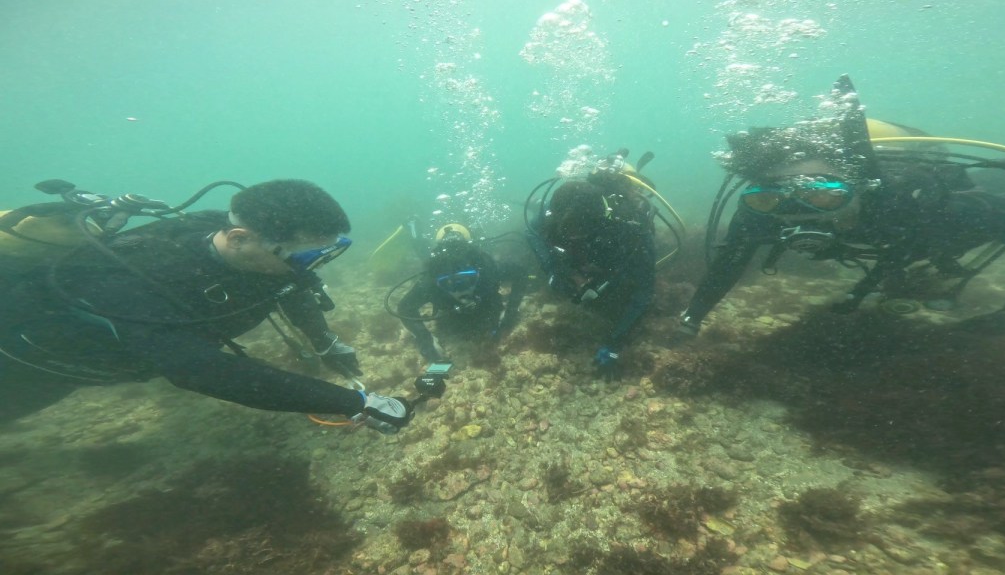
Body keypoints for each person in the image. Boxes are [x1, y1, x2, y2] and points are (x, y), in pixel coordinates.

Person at [0, 179, 410, 432]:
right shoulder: (141, 278)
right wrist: (356, 403)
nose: (313, 269)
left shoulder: (261, 257)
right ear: (239, 239)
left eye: (329, 253)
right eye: (306, 257)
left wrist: (324, 341)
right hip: (27, 363)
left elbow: (292, 288)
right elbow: (202, 370)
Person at [679, 76, 1005, 337]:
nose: (799, 211)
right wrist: (692, 317)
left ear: (860, 186)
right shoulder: (763, 215)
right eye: (770, 197)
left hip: (949, 199)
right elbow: (728, 266)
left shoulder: (909, 202)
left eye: (822, 195)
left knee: (1003, 180)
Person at [527, 151, 658, 380]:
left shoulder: (629, 230)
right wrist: (554, 269)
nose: (573, 238)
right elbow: (532, 233)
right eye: (567, 231)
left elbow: (644, 291)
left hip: (615, 252)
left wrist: (615, 343)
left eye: (580, 231)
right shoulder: (557, 211)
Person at [394, 223, 528, 362]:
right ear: (439, 283)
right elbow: (405, 308)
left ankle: (471, 228)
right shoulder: (431, 283)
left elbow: (520, 273)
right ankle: (414, 227)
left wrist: (510, 312)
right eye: (449, 283)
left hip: (485, 303)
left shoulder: (487, 270)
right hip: (452, 314)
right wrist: (425, 338)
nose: (460, 290)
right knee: (423, 254)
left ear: (477, 274)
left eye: (466, 280)